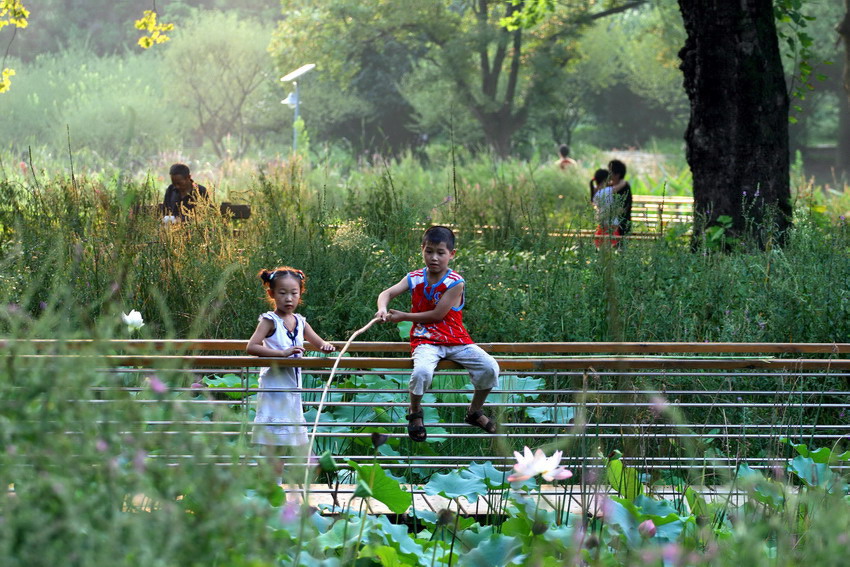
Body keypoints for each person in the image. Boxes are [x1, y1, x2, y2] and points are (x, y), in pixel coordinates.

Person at [375, 226, 500, 442]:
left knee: (490, 367)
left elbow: (437, 315)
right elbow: (387, 293)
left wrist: (403, 316)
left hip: (456, 340)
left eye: (440, 253)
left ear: (451, 254)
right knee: (422, 372)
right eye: (429, 251)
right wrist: (382, 308)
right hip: (426, 341)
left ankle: (475, 411)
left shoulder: (455, 282)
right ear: (422, 250)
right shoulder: (414, 277)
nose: (434, 258)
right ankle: (415, 413)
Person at [246, 267, 335, 481]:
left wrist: (326, 346)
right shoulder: (269, 320)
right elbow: (252, 346)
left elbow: (317, 341)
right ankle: (270, 491)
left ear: (300, 294)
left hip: (292, 393)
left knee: (286, 444)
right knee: (273, 445)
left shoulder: (300, 321)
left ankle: (277, 490)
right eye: (282, 293)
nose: (288, 298)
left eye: (294, 293)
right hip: (274, 391)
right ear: (271, 294)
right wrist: (281, 353)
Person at [592, 167, 628, 249]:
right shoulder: (608, 190)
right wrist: (622, 180)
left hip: (602, 223)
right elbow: (622, 184)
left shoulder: (596, 194)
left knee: (602, 247)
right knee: (611, 248)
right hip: (612, 224)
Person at [608, 159, 632, 237]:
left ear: (617, 174)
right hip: (608, 224)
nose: (608, 174)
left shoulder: (625, 187)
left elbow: (623, 209)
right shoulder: (609, 187)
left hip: (621, 225)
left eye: (610, 171)